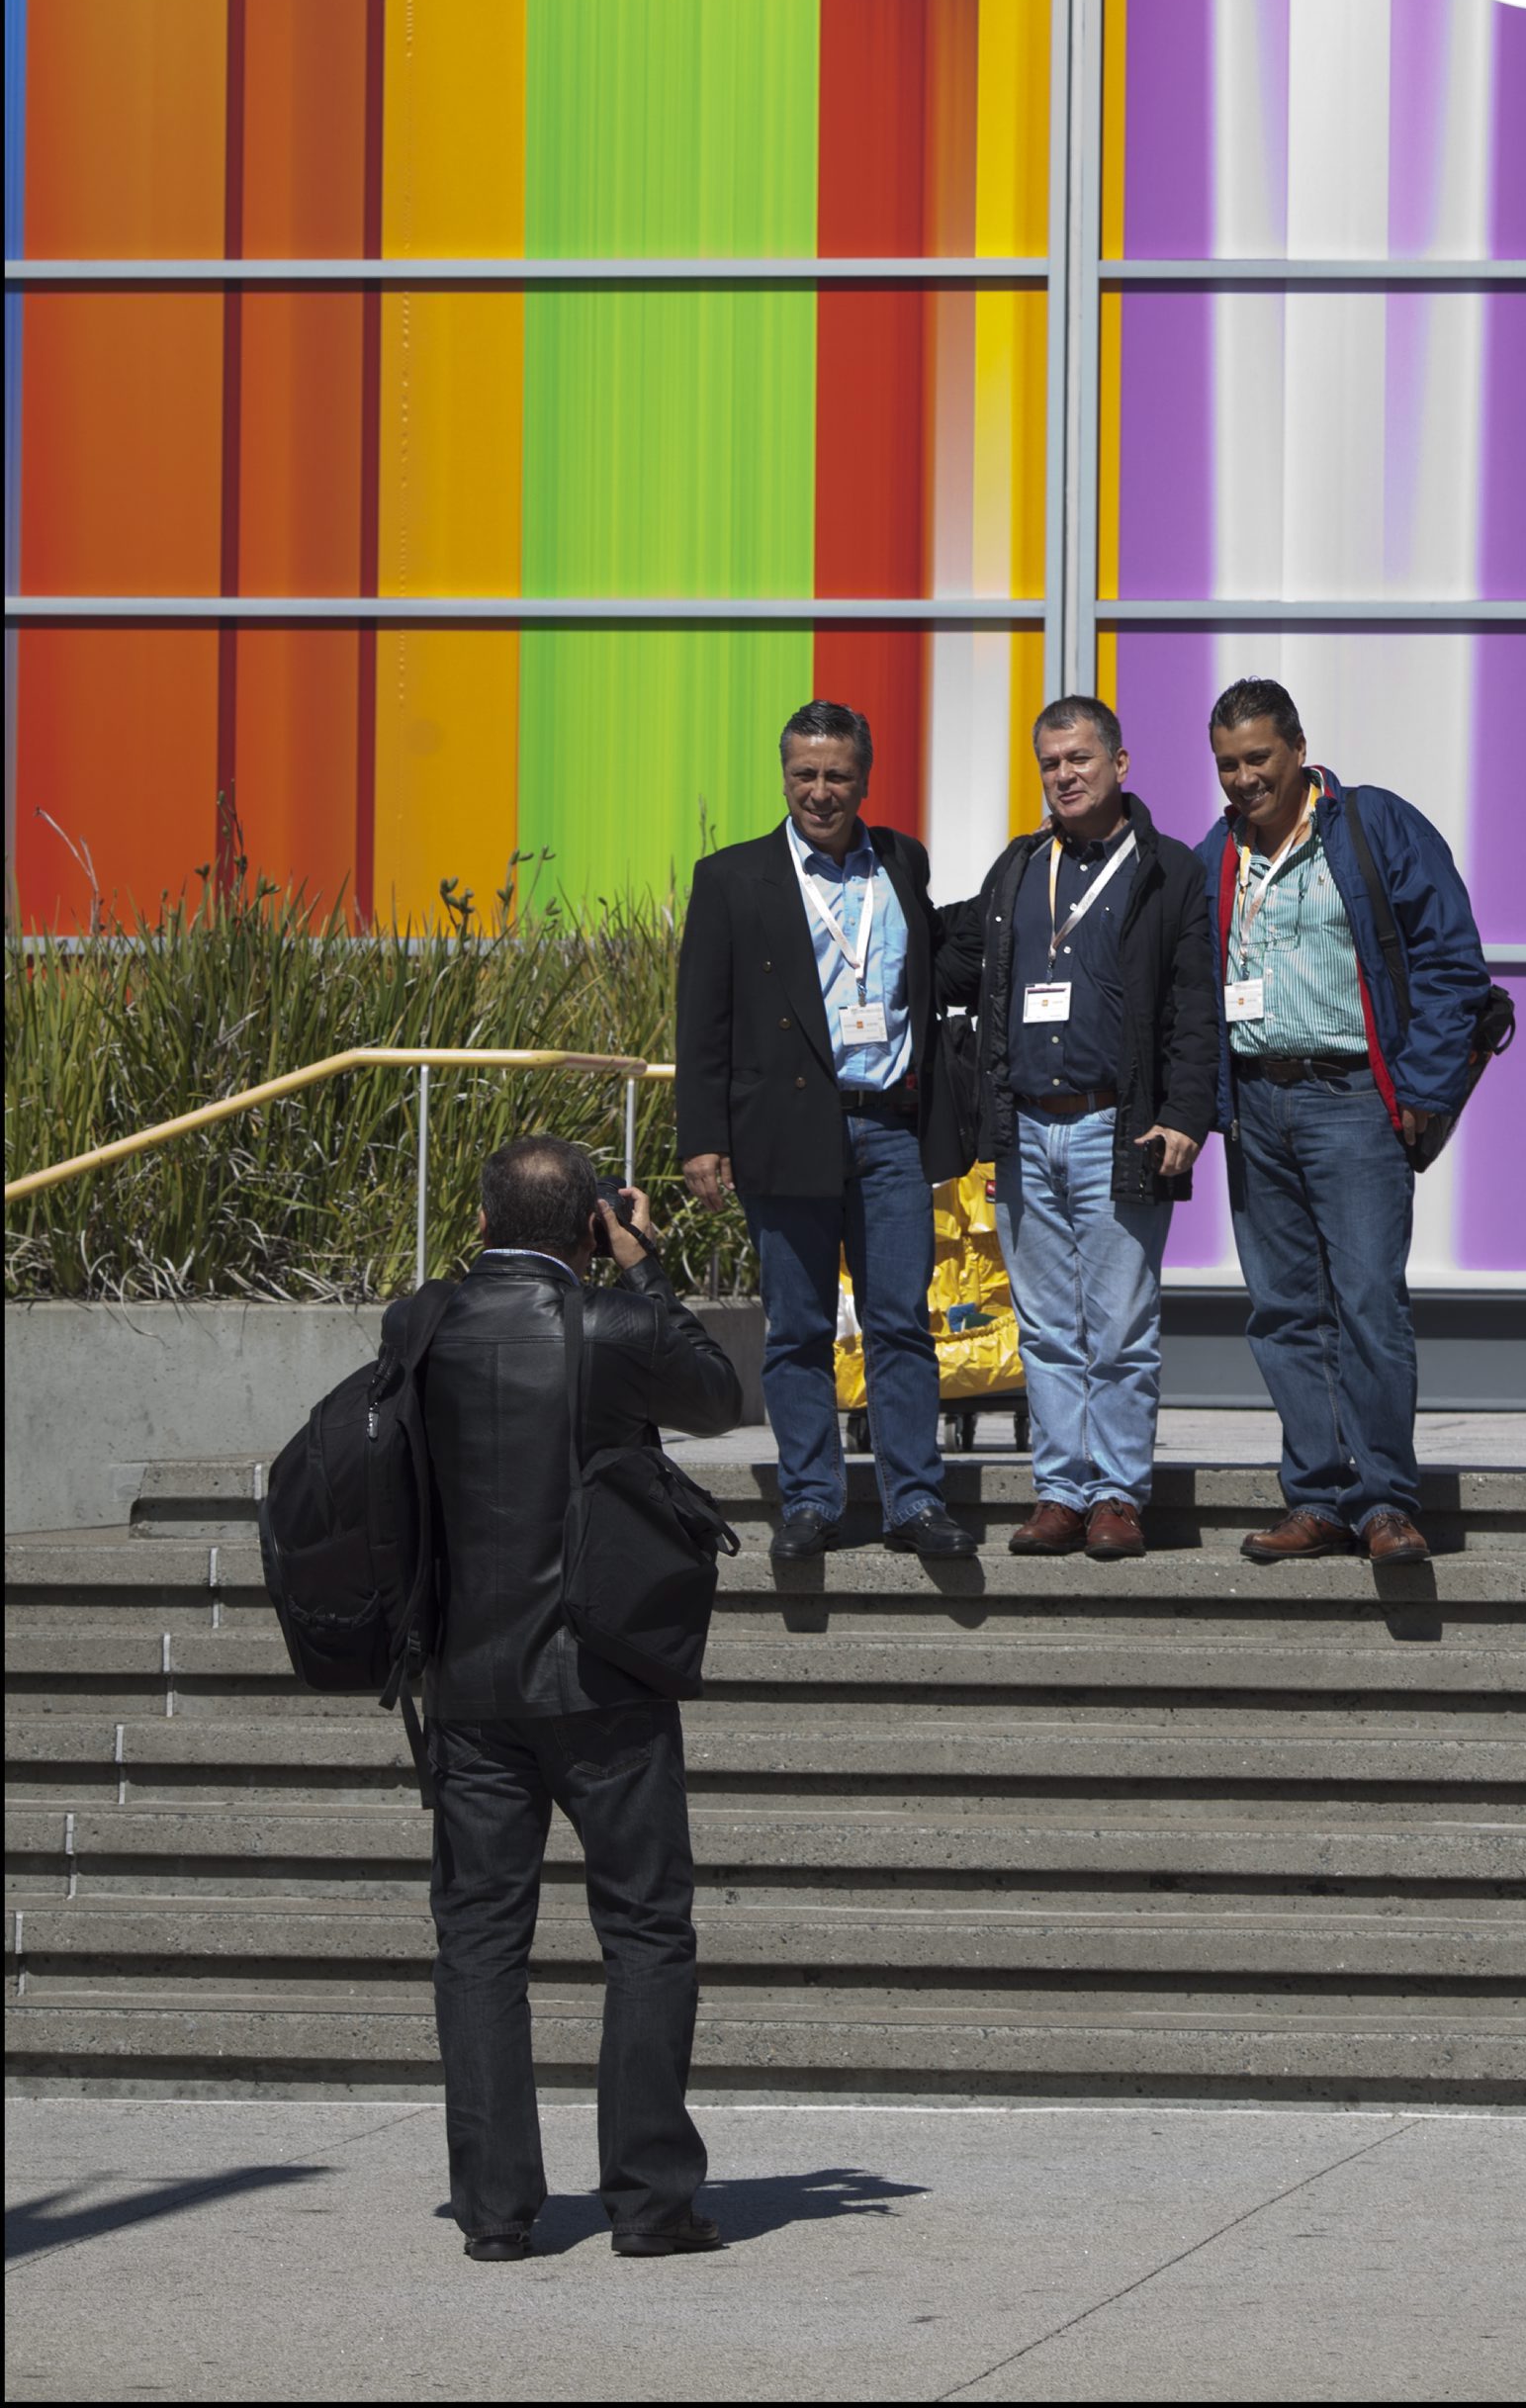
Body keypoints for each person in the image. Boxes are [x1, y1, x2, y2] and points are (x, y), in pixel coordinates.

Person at [400, 1130, 743, 2263]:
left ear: (482, 1222)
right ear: (592, 1223)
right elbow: (715, 1395)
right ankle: (648, 2200)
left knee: (478, 1941)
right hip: (605, 1676)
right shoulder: (615, 1324)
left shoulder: (423, 1325)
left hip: (469, 1679)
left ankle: (496, 2211)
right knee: (645, 1928)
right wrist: (643, 1265)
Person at [1196, 676, 1491, 1567]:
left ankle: (1386, 1501)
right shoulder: (1216, 852)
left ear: (1298, 748)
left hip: (1354, 1100)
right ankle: (1318, 1498)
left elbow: (1450, 961)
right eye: (1227, 764)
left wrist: (1424, 1090)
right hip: (1256, 1104)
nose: (1244, 778)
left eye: (1258, 758)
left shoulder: (1373, 825)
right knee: (1285, 1312)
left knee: (1367, 1303)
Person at [674, 700, 978, 1561]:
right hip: (785, 1128)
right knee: (798, 1328)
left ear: (864, 780)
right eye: (804, 774)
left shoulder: (903, 861)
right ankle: (810, 1500)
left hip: (890, 1130)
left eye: (837, 775)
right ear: (783, 777)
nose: (820, 791)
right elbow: (702, 1020)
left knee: (901, 1324)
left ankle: (914, 1500)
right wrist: (702, 1138)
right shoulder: (732, 877)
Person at [936, 693, 1218, 1560]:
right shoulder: (1021, 867)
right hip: (1023, 1130)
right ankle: (1061, 1491)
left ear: (1120, 765)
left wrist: (1186, 1114)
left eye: (1080, 759)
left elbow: (1194, 1005)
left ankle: (1118, 1496)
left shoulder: (1168, 870)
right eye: (1050, 763)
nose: (1064, 775)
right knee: (1048, 1329)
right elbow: (952, 955)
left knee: (1121, 1328)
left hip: (1116, 1130)